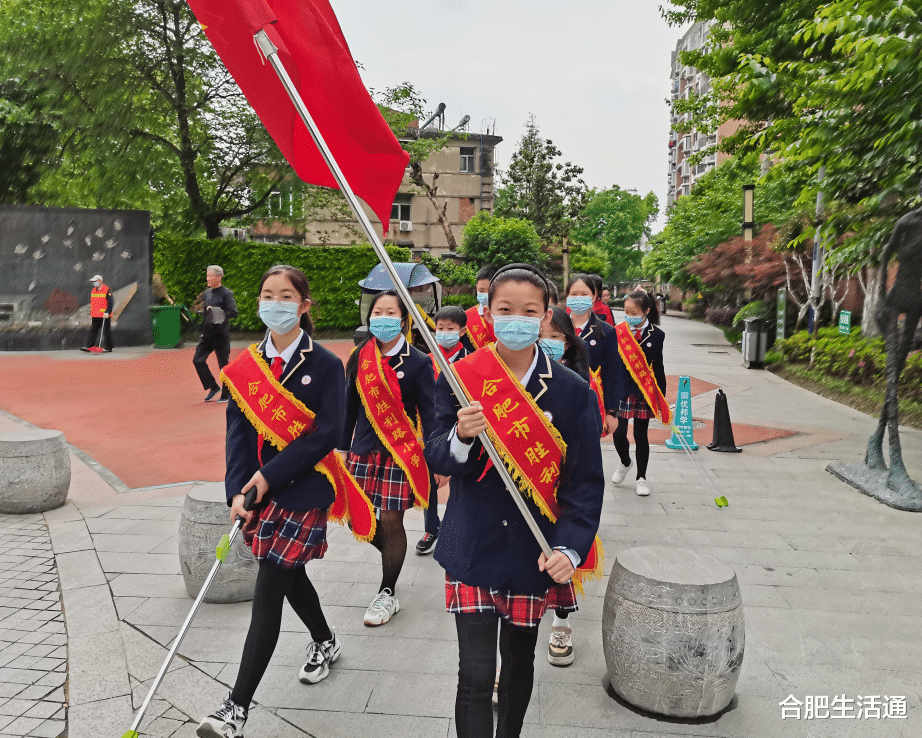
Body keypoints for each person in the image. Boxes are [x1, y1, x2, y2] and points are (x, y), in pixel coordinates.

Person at [425, 263, 604, 738]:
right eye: (505, 309)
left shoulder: (572, 392)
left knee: (519, 666)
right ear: (487, 313)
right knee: (477, 674)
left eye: (529, 310)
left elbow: (584, 484)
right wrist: (461, 436)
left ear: (547, 316)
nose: (516, 319)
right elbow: (435, 451)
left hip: (534, 554)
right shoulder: (461, 377)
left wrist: (570, 549)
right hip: (472, 545)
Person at [198, 265, 354, 738]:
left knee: (270, 584)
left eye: (286, 295)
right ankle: (325, 640)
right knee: (289, 571)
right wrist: (237, 491)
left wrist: (267, 477)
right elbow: (237, 436)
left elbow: (328, 434)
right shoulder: (244, 368)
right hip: (259, 495)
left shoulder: (327, 364)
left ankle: (235, 708)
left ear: (304, 305)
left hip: (305, 490)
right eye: (268, 294)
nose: (275, 303)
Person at [341, 290, 437, 626]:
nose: (383, 318)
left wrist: (435, 457)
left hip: (400, 452)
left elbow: (430, 413)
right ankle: (393, 556)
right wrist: (342, 449)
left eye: (390, 312)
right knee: (358, 520)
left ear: (403, 319)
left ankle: (387, 592)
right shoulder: (359, 357)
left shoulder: (419, 362)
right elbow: (348, 408)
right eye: (377, 312)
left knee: (392, 521)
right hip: (363, 451)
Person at [417, 305, 471, 555]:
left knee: (460, 482)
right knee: (429, 480)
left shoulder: (471, 361)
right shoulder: (426, 360)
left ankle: (459, 527)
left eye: (450, 328)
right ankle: (431, 528)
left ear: (462, 331)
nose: (444, 333)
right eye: (440, 328)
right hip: (426, 428)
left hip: (458, 430)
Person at [610, 289, 669, 497]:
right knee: (618, 432)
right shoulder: (617, 332)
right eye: (626, 311)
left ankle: (641, 478)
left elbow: (659, 367)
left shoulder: (657, 335)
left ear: (646, 311)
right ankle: (625, 462)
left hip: (643, 391)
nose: (629, 316)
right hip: (621, 389)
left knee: (640, 434)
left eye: (634, 312)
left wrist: (661, 395)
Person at [565, 274, 620, 439]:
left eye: (584, 294)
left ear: (594, 296)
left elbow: (612, 373)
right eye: (574, 294)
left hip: (591, 403)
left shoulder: (606, 331)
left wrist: (612, 412)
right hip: (559, 399)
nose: (578, 298)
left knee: (587, 453)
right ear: (567, 296)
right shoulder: (557, 327)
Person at [194, 266, 238, 403]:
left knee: (223, 364)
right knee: (197, 360)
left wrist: (217, 312)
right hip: (207, 334)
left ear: (219, 277)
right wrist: (202, 328)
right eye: (207, 275)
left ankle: (226, 394)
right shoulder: (207, 293)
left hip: (221, 335)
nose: (207, 278)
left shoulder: (227, 294)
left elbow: (233, 312)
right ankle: (213, 387)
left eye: (210, 276)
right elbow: (207, 313)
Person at [464, 264, 497, 350]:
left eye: (489, 291)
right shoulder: (467, 317)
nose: (486, 294)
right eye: (481, 290)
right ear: (476, 288)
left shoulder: (507, 315)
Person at [81, 274, 113, 352]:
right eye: (93, 281)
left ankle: (108, 347)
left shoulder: (107, 290)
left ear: (100, 281)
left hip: (104, 315)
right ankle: (90, 346)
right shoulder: (93, 290)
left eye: (95, 281)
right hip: (95, 315)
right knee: (93, 330)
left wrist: (107, 312)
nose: (94, 283)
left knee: (106, 331)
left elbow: (111, 302)